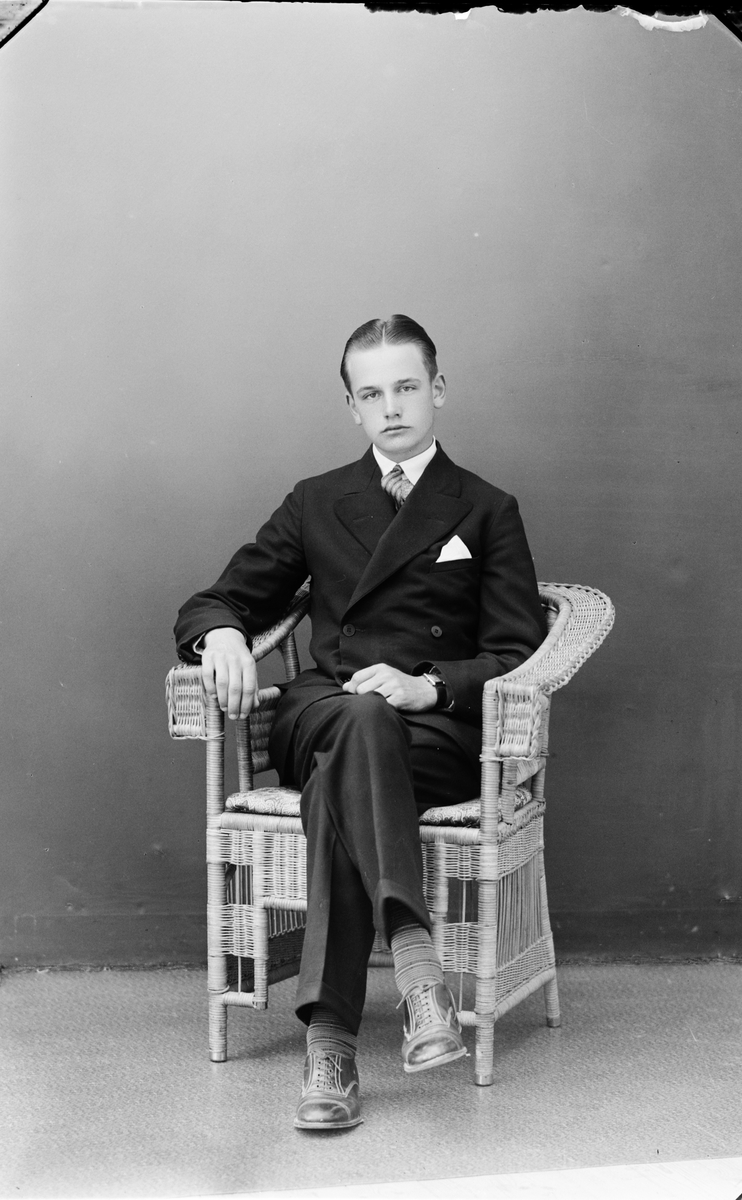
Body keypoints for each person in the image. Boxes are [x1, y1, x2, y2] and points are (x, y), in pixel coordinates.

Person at [174, 315, 546, 1131]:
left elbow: (517, 652)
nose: (391, 408)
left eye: (406, 387)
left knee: (349, 766)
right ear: (351, 406)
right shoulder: (316, 500)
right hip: (323, 711)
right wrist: (225, 634)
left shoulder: (486, 508)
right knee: (357, 721)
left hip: (431, 736)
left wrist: (429, 686)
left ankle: (331, 1046)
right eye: (371, 394)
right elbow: (215, 600)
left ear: (438, 390)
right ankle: (418, 970)